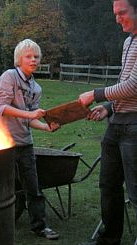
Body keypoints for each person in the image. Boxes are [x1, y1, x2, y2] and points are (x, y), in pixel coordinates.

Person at [78, 0, 137, 244]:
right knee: (108, 186)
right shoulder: (128, 42)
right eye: (115, 13)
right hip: (116, 125)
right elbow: (125, 84)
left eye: (122, 13)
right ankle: (109, 238)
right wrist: (109, 107)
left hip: (135, 128)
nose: (117, 18)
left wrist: (96, 95)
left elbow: (134, 85)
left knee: (136, 192)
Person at [0, 38, 60, 240]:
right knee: (3, 187)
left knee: (33, 187)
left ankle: (39, 226)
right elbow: (2, 108)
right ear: (18, 59)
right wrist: (30, 115)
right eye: (28, 56)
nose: (33, 60)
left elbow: (31, 119)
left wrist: (46, 127)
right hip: (2, 144)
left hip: (25, 144)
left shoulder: (36, 88)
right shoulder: (9, 77)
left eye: (36, 56)